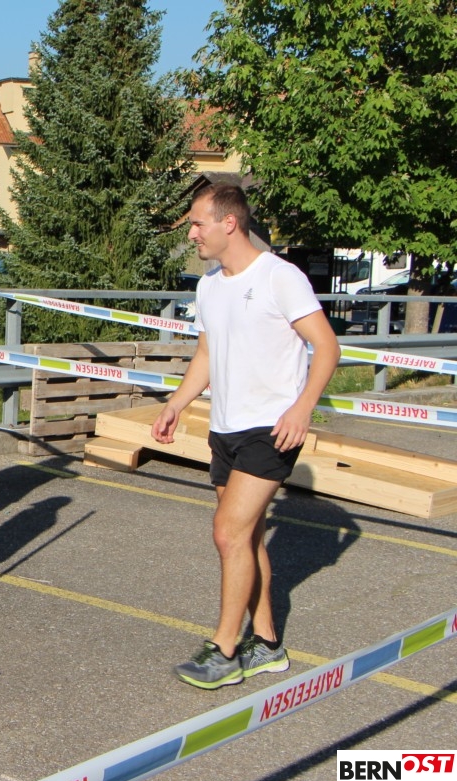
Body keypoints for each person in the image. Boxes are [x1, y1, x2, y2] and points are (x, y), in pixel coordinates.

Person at [150, 184, 340, 689]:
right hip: (225, 428)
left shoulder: (280, 277)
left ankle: (225, 649)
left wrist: (302, 408)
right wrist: (176, 403)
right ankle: (268, 644)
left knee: (228, 533)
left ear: (229, 223)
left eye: (198, 224)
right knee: (248, 536)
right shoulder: (210, 285)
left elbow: (326, 346)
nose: (192, 234)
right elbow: (207, 354)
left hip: (271, 428)